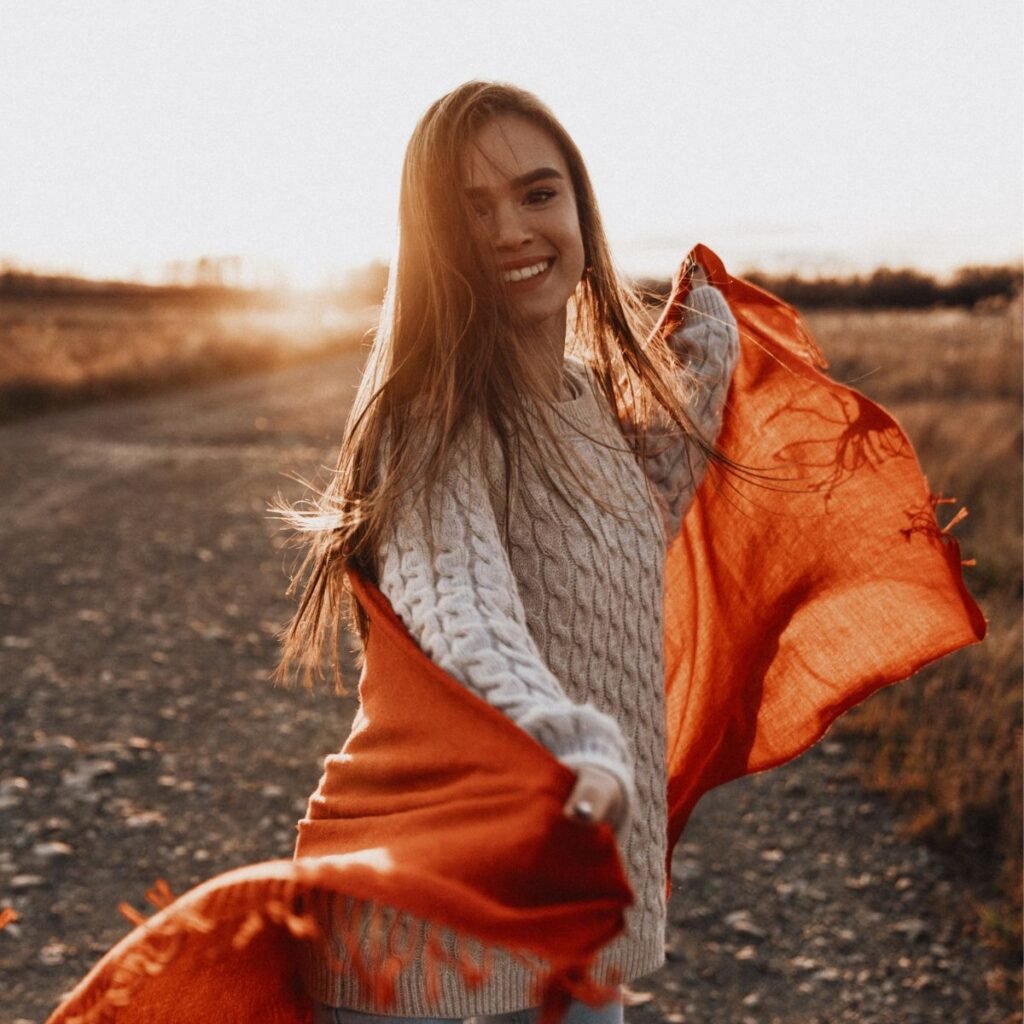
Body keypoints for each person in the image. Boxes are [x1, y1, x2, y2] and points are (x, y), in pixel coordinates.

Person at [276, 80, 740, 1024]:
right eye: (471, 210)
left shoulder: (585, 405)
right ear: (434, 240)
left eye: (537, 194)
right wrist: (564, 737)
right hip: (423, 942)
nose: (512, 230)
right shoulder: (429, 419)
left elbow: (620, 534)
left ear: (579, 207)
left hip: (565, 915)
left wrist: (703, 373)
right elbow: (464, 609)